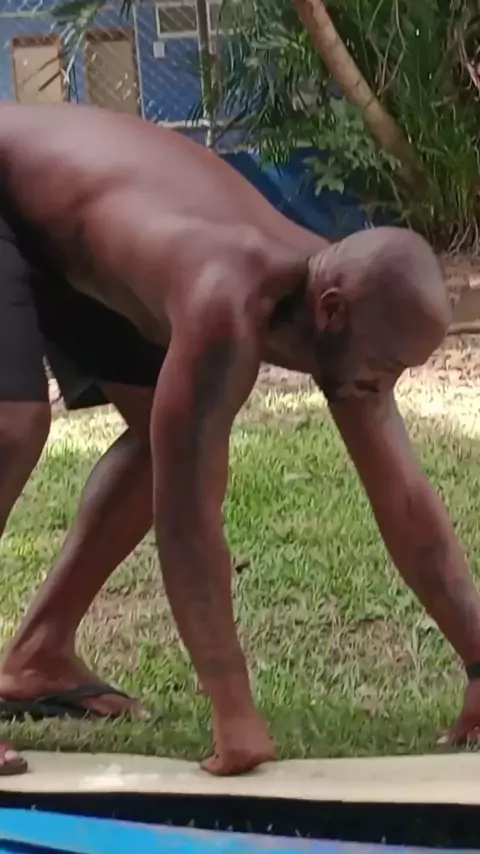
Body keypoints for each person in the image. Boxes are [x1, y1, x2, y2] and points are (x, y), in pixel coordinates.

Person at [1, 102, 480, 779]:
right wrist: (234, 711)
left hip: (68, 229)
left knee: (159, 432)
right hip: (13, 186)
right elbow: (187, 521)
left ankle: (38, 655)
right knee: (13, 425)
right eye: (385, 366)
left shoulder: (343, 309)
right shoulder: (228, 297)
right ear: (332, 312)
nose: (385, 385)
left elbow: (404, 495)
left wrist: (478, 660)